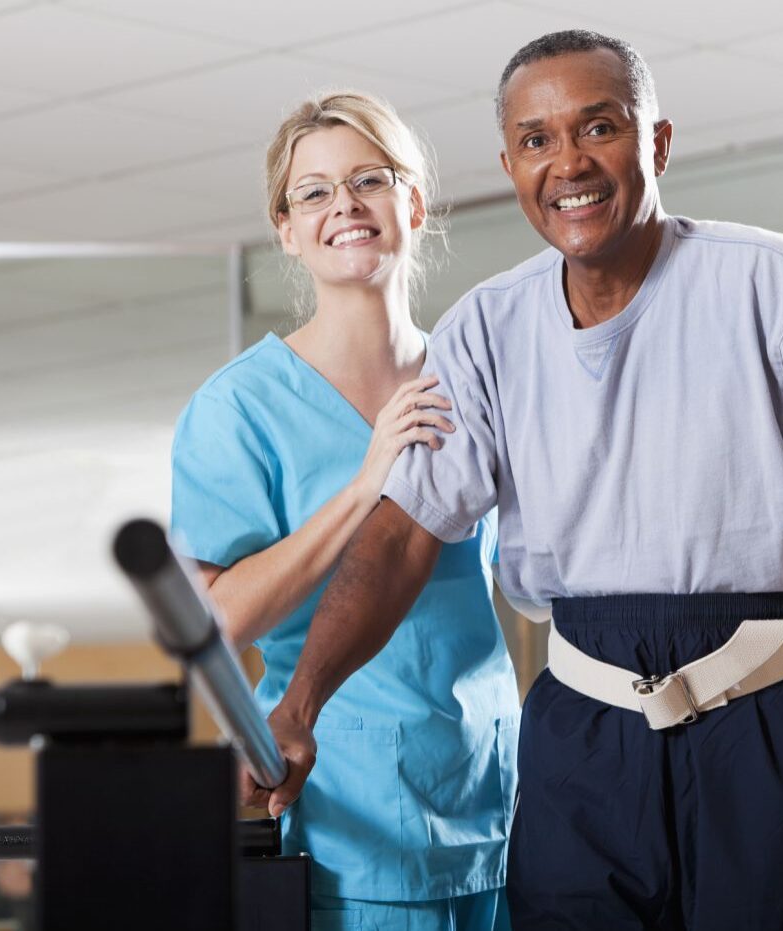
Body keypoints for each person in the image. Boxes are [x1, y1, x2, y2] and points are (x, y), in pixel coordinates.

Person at [253, 32, 783, 931]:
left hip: (769, 708)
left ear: (654, 142)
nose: (567, 162)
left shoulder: (773, 286)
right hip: (585, 726)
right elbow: (403, 533)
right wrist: (298, 706)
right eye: (536, 140)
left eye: (598, 128)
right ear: (510, 165)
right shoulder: (487, 329)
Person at [170, 91, 519, 931]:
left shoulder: (473, 380)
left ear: (415, 204)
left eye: (370, 178)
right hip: (349, 820)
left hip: (499, 806)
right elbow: (218, 621)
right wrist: (367, 484)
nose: (345, 206)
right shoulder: (239, 408)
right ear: (285, 229)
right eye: (314, 192)